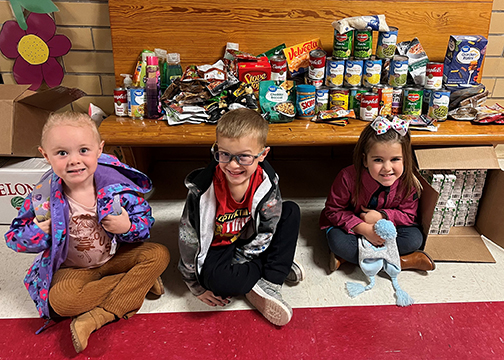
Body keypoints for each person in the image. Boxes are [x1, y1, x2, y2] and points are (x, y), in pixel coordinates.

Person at [4, 112, 170, 353]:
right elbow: (13, 238)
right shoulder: (42, 198)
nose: (74, 160)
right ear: (45, 155)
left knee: (158, 254)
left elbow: (144, 223)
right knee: (61, 302)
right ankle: (139, 283)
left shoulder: (116, 189)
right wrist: (36, 231)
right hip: (73, 269)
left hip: (115, 259)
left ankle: (98, 316)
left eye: (83, 150)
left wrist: (128, 227)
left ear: (99, 150)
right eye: (62, 153)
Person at [178, 108, 303, 326]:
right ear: (216, 149)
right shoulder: (202, 191)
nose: (233, 165)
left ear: (262, 154)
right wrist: (194, 284)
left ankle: (271, 282)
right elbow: (188, 238)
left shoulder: (267, 183)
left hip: (250, 238)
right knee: (217, 282)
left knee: (291, 211)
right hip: (219, 246)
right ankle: (273, 267)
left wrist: (244, 257)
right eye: (225, 154)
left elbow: (268, 229)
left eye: (244, 156)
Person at [319, 117, 435, 272]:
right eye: (378, 160)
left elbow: (409, 216)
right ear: (365, 160)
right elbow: (333, 211)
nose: (387, 168)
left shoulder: (408, 182)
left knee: (414, 239)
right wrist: (364, 229)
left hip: (387, 228)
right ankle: (402, 261)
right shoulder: (347, 177)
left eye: (395, 159)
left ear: (405, 159)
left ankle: (352, 259)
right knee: (338, 242)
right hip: (354, 228)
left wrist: (382, 216)